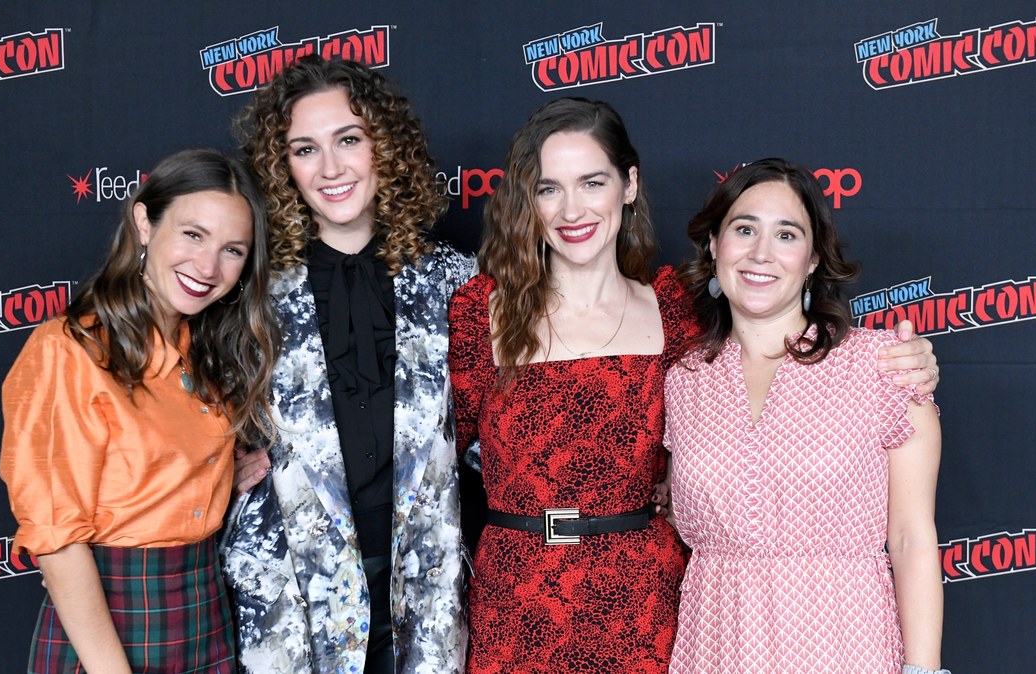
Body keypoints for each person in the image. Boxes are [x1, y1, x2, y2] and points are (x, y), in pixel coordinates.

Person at [448, 101, 939, 672]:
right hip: (520, 602)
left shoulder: (676, 318)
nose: (572, 208)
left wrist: (912, 364)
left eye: (592, 181)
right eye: (549, 188)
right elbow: (430, 464)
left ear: (628, 185)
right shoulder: (478, 312)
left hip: (645, 606)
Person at [220, 55, 473, 674]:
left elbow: (496, 430)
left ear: (385, 147)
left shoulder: (455, 283)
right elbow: (175, 416)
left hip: (423, 594)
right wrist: (206, 474)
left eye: (349, 140)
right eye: (305, 149)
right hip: (292, 601)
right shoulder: (246, 292)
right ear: (283, 167)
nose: (330, 168)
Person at [0, 148, 280, 674]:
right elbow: (58, 544)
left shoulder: (205, 349)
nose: (207, 267)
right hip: (114, 624)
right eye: (193, 234)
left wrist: (214, 475)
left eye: (232, 250)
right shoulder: (69, 350)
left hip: (204, 616)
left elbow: (154, 469)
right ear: (144, 222)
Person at [664, 158, 947, 673]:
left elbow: (911, 538)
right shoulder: (684, 378)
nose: (761, 253)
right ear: (714, 246)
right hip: (718, 644)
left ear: (814, 259)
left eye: (787, 235)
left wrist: (924, 671)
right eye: (744, 229)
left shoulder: (883, 366)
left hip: (845, 644)